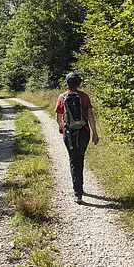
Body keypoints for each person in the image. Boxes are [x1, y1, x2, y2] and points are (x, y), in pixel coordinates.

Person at [54, 72, 99, 203]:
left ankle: (77, 192)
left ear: (67, 83)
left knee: (73, 160)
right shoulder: (84, 96)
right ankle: (80, 188)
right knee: (80, 158)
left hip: (69, 133)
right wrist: (95, 133)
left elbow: (58, 115)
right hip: (84, 132)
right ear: (78, 83)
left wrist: (61, 127)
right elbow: (90, 116)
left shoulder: (62, 97)